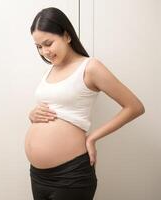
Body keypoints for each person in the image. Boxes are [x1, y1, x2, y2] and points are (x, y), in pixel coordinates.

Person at [24, 7, 145, 200]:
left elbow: (134, 106)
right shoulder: (50, 70)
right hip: (38, 175)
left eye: (48, 43)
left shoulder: (90, 67)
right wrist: (33, 115)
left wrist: (92, 137)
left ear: (67, 36)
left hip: (70, 175)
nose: (44, 52)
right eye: (38, 46)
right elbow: (58, 108)